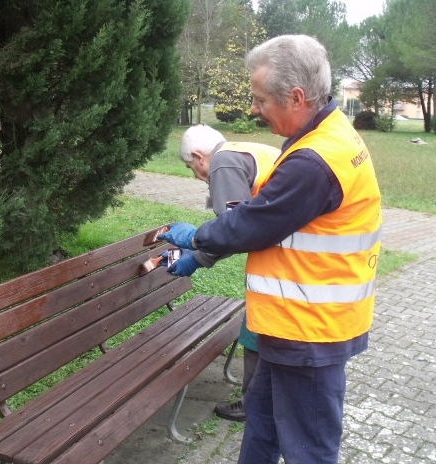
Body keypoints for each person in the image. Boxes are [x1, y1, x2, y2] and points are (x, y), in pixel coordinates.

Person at [158, 34, 382, 464]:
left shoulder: (316, 160)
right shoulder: (324, 136)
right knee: (261, 425)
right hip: (290, 327)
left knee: (308, 449)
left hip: (309, 332)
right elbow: (272, 212)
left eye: (260, 99)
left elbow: (252, 225)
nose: (254, 109)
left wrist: (194, 238)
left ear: (296, 97)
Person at [164, 124, 279, 422]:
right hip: (284, 246)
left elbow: (233, 232)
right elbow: (232, 224)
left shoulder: (223, 163)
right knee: (264, 329)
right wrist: (198, 248)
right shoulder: (244, 150)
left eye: (192, 167)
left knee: (258, 327)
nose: (196, 175)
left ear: (199, 156)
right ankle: (268, 400)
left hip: (280, 259)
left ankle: (255, 405)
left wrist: (195, 257)